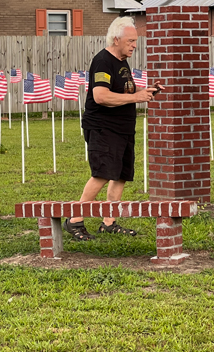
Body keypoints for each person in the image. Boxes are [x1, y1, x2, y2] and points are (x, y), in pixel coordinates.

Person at [64, 16, 162, 241]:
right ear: (116, 39)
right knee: (102, 173)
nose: (134, 45)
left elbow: (124, 94)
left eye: (135, 41)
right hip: (103, 127)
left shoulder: (122, 61)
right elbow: (100, 96)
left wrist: (147, 91)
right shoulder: (103, 61)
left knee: (120, 175)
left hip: (123, 127)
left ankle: (108, 222)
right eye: (130, 41)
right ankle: (75, 219)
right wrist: (137, 97)